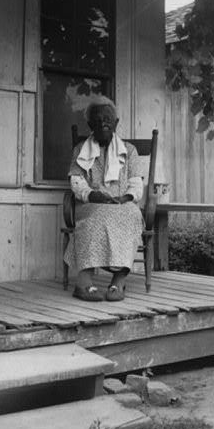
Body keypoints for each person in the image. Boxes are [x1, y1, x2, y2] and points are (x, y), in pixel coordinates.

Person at [64, 97, 144, 302]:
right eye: (98, 120)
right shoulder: (81, 150)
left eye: (108, 119)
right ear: (90, 125)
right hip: (92, 203)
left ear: (116, 122)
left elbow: (136, 185)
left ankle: (118, 281)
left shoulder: (130, 151)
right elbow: (76, 182)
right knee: (97, 216)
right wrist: (92, 194)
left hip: (122, 203)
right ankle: (83, 282)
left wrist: (125, 197)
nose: (103, 123)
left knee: (132, 214)